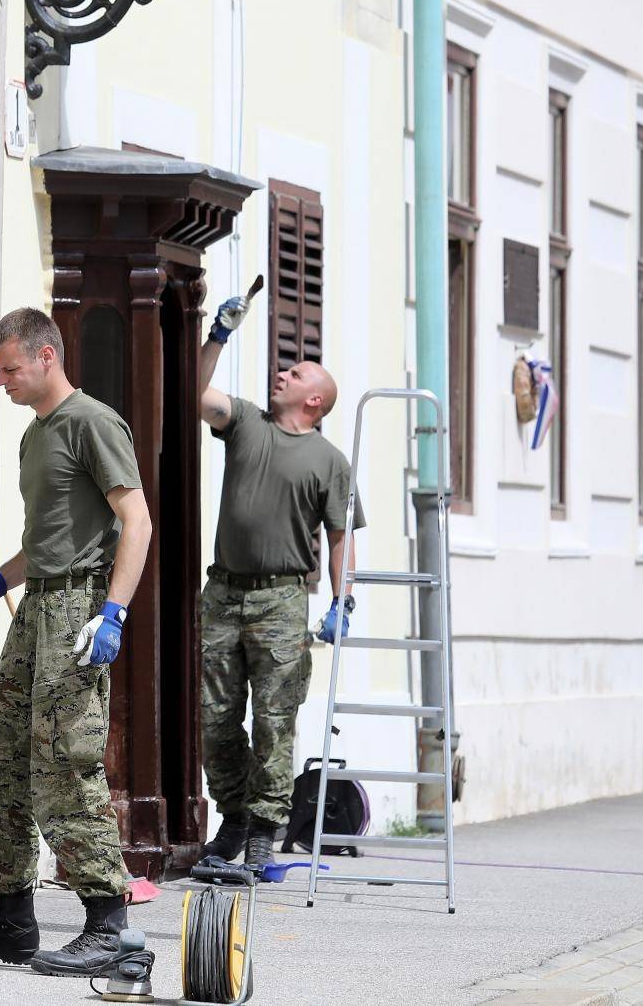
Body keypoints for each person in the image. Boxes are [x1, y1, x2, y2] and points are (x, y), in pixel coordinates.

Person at [0, 307, 153, 978]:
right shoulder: (37, 436)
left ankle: (110, 924)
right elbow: (47, 540)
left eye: (9, 368)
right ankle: (11, 917)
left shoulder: (93, 423)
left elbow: (136, 522)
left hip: (80, 607)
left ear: (46, 357)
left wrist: (112, 613)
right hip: (37, 609)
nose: (1, 380)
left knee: (65, 762)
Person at [196, 276, 364, 871]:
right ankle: (233, 817)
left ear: (314, 400)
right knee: (213, 719)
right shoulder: (246, 422)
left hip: (281, 601)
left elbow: (340, 540)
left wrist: (344, 600)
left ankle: (265, 829)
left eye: (296, 375)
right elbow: (193, 392)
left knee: (274, 720)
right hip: (222, 592)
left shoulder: (329, 461)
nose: (284, 375)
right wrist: (217, 334)